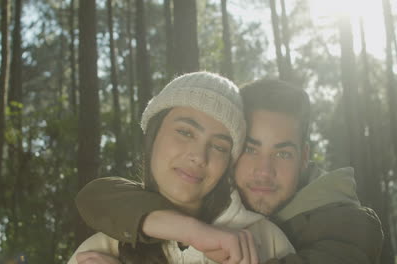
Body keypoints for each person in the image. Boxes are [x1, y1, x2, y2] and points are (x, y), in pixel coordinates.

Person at [75, 79, 384, 263]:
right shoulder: (205, 203)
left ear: (304, 158)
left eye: (283, 153)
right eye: (250, 148)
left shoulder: (348, 228)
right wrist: (186, 229)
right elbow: (99, 196)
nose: (264, 171)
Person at [68, 72, 295, 264]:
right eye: (185, 132)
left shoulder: (268, 240)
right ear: (153, 135)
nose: (198, 156)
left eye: (218, 146)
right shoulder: (100, 250)